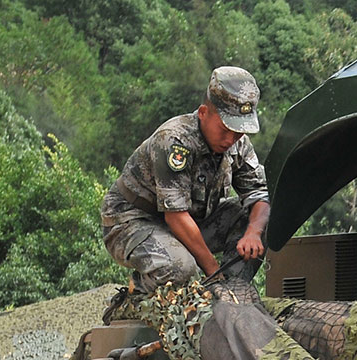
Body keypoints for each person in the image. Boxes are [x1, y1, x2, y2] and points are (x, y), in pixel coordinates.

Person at [101, 66, 271, 292]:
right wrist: (212, 271)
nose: (231, 138)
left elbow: (259, 195)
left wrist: (253, 233)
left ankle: (231, 294)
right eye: (225, 129)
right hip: (134, 221)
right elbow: (176, 217)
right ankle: (141, 292)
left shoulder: (238, 144)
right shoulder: (174, 141)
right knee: (181, 269)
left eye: (238, 131)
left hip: (191, 221)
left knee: (260, 219)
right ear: (203, 113)